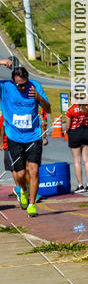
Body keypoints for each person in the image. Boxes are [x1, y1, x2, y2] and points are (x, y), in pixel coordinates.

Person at [0, 60, 51, 216]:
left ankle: (32, 204)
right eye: (19, 85)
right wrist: (1, 62)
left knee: (34, 171)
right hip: (14, 136)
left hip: (33, 135)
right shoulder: (5, 87)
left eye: (25, 84)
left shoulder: (34, 86)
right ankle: (22, 190)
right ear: (13, 82)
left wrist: (38, 97)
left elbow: (48, 109)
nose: (23, 87)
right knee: (20, 174)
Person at [65, 102, 88, 192]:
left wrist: (67, 131)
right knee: (87, 160)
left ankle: (80, 185)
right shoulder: (87, 109)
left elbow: (68, 126)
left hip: (75, 134)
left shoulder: (70, 110)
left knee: (77, 161)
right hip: (86, 133)